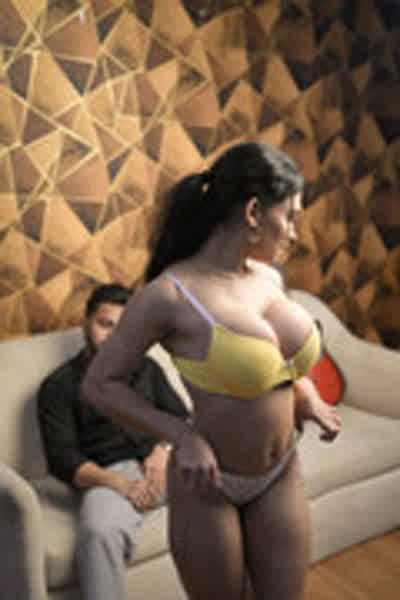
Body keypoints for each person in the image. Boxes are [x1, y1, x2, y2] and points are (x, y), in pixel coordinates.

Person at [83, 143, 342, 600]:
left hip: (281, 469)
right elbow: (100, 385)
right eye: (290, 216)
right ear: (254, 212)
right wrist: (181, 436)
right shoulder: (168, 296)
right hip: (210, 485)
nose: (294, 233)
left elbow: (276, 362)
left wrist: (306, 394)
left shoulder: (268, 277)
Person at [37, 283, 189, 600]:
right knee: (99, 531)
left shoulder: (147, 368)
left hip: (163, 464)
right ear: (86, 323)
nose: (114, 337)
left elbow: (180, 417)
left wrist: (161, 452)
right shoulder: (58, 387)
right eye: (105, 324)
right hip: (108, 475)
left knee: (238, 478)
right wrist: (119, 484)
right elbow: (62, 459)